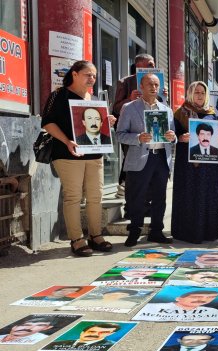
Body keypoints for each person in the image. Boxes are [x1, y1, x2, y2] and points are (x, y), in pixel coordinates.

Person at [42, 60, 115, 257]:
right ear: (74, 74)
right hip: (67, 154)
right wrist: (67, 141)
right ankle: (76, 239)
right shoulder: (59, 95)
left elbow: (97, 127)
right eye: (87, 74)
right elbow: (47, 123)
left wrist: (108, 122)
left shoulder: (94, 98)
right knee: (73, 197)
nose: (92, 79)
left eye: (94, 75)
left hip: (94, 153)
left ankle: (95, 235)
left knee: (95, 196)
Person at [116, 72, 175, 247]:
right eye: (149, 84)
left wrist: (173, 137)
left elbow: (173, 137)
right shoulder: (129, 108)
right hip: (140, 158)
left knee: (160, 198)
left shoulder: (167, 109)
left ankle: (156, 231)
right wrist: (137, 138)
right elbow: (119, 135)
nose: (153, 88)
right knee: (136, 198)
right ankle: (134, 231)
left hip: (161, 159)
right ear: (141, 87)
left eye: (156, 84)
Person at [171, 81, 218, 244]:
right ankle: (187, 232)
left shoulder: (212, 113)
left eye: (202, 92)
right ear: (190, 94)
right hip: (187, 165)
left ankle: (209, 231)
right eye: (196, 92)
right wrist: (180, 138)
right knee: (189, 195)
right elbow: (172, 136)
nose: (200, 96)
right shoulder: (180, 112)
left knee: (208, 194)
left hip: (208, 165)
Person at [112, 54, 162, 197]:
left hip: (153, 129)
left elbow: (161, 106)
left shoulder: (157, 81)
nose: (153, 67)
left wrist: (163, 96)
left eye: (153, 64)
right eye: (150, 64)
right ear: (139, 66)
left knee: (150, 163)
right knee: (132, 160)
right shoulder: (125, 82)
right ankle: (126, 190)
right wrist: (130, 99)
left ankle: (146, 197)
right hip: (132, 131)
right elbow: (115, 107)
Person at [44, 323, 121, 350]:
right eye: (92, 331)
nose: (95, 334)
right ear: (82, 332)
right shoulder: (54, 344)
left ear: (110, 334)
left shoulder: (110, 346)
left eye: (103, 332)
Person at [144, 290, 218, 317]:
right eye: (196, 297)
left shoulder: (214, 312)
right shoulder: (150, 307)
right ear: (178, 298)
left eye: (210, 297)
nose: (203, 300)